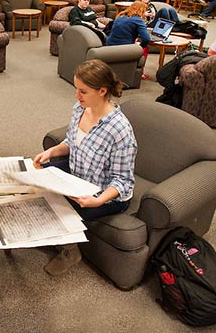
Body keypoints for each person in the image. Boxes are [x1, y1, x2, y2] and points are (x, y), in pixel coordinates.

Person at [33, 60, 137, 275]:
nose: (76, 96)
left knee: (57, 205)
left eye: (83, 91)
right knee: (37, 181)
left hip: (104, 192)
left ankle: (71, 252)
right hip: (78, 174)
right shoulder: (81, 109)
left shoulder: (120, 130)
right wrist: (50, 153)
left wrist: (98, 200)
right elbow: (72, 143)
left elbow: (123, 181)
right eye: (76, 89)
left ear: (102, 91)